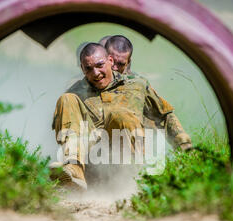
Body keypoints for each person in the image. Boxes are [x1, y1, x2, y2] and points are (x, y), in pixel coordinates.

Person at [51, 43, 192, 189]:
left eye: (100, 65)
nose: (95, 73)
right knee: (66, 98)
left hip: (126, 163)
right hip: (93, 164)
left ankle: (135, 181)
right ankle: (74, 172)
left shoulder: (137, 85)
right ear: (82, 69)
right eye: (88, 68)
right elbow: (66, 128)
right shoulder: (75, 93)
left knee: (121, 115)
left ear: (110, 61)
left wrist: (184, 147)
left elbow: (164, 117)